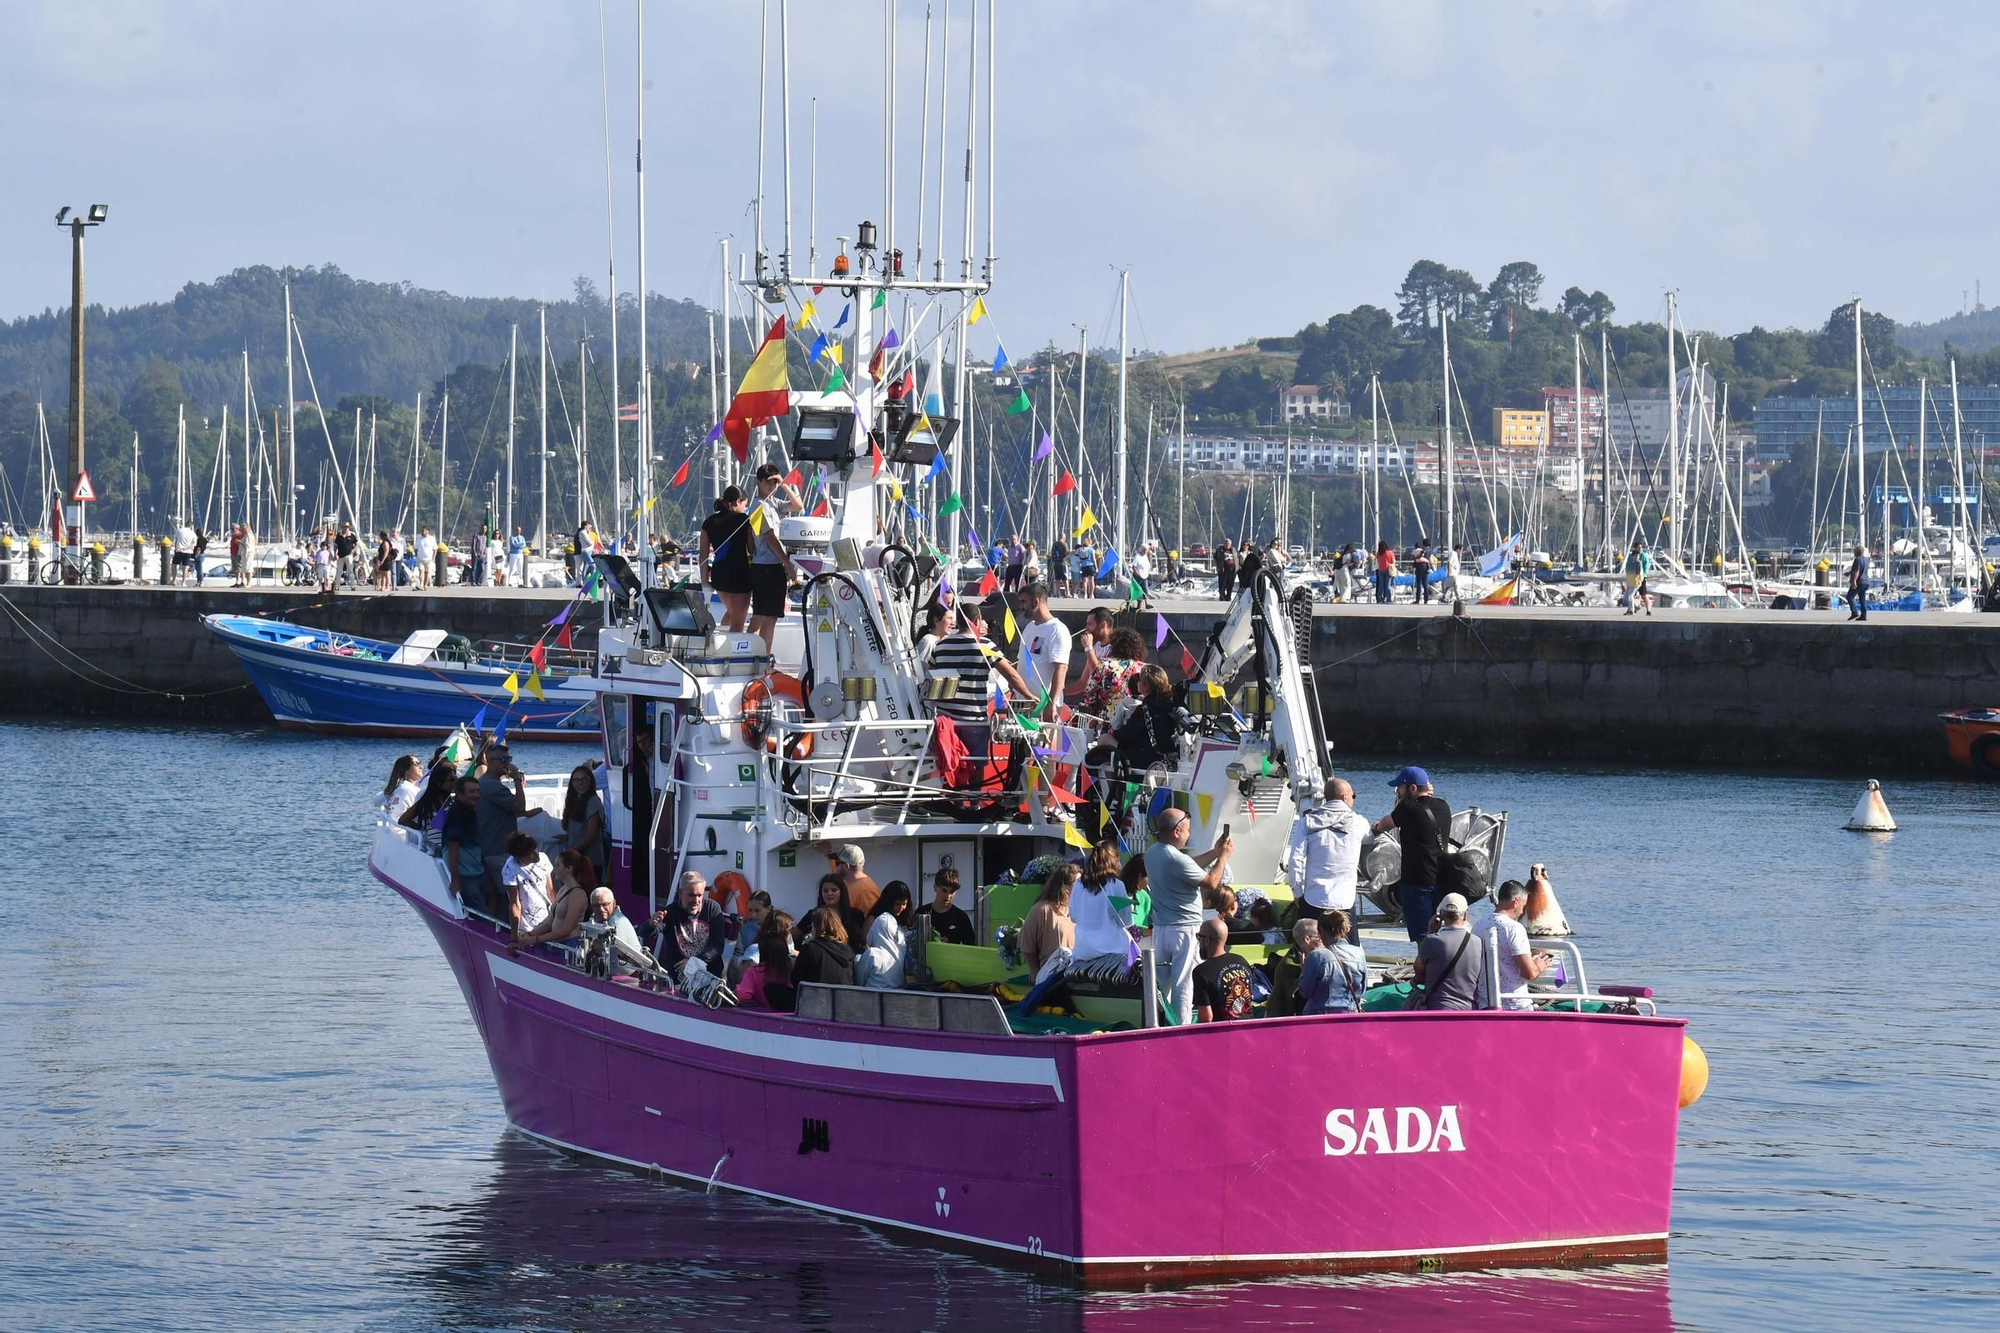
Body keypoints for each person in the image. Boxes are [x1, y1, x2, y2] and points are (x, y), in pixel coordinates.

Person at [1144, 807, 1233, 1026]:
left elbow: (1189, 866)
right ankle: (1180, 1030)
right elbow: (1211, 882)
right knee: (1184, 985)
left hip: (1163, 928)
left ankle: (1154, 1023)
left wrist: (1214, 852)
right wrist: (1223, 857)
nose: (1188, 835)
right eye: (1187, 830)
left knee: (1161, 983)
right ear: (1176, 831)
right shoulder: (1175, 858)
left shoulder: (1153, 852)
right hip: (1185, 930)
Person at [1370, 765, 1451, 943]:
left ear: (1412, 788)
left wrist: (1374, 828)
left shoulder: (1407, 808)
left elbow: (1384, 825)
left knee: (1423, 937)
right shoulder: (1443, 806)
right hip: (1441, 880)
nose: (1397, 791)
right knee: (1439, 934)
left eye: (1400, 787)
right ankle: (1440, 968)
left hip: (1417, 883)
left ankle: (1426, 970)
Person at [1287, 777, 1368, 941]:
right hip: (1344, 900)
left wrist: (1297, 892)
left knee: (1308, 950)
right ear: (1345, 797)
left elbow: (1295, 859)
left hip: (1314, 898)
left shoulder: (1307, 822)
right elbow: (1370, 839)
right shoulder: (1359, 823)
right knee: (1350, 952)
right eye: (1354, 796)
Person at [748, 464, 800, 651]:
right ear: (759, 482)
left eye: (776, 482)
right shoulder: (759, 507)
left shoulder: (773, 503)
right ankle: (758, 656)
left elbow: (797, 506)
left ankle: (759, 655)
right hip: (768, 566)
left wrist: (785, 484)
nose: (773, 486)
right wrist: (788, 564)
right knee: (764, 616)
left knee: (767, 616)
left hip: (768, 565)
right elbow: (770, 538)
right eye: (769, 482)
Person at [1486, 878, 1556, 1010]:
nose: (1522, 912)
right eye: (1523, 906)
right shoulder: (1514, 928)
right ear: (1516, 902)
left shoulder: (1478, 926)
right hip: (1514, 1004)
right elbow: (1529, 973)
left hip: (1485, 1001)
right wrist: (1539, 966)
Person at [1102, 665, 1181, 774]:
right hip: (1167, 759)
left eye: (1139, 679)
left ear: (1146, 685)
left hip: (1146, 759)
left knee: (1104, 739)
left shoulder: (1146, 707)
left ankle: (1110, 787)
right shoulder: (1170, 704)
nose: (1137, 681)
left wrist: (1115, 733)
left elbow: (1127, 734)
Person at [1412, 891, 1484, 1010]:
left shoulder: (1431, 941)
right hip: (1469, 1010)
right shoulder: (1478, 942)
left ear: (1440, 915)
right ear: (1465, 915)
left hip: (1437, 1009)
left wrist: (1431, 932)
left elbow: (1418, 969)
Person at [476, 742, 530, 899]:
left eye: (509, 758)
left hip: (489, 848)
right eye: (503, 759)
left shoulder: (484, 783)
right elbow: (519, 807)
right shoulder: (493, 786)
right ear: (491, 761)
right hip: (497, 851)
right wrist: (517, 780)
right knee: (510, 895)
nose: (508, 763)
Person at [1070, 840, 1138, 963]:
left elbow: (1073, 917)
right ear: (1114, 860)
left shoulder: (1078, 884)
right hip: (1111, 952)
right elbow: (1126, 921)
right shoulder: (1117, 885)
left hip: (1082, 951)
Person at [651, 871, 727, 977]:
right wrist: (651, 924)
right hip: (679, 981)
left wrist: (695, 961)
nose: (696, 900)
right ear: (680, 893)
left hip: (710, 979)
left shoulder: (712, 909)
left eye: (700, 895)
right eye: (691, 895)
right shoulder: (670, 913)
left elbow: (718, 945)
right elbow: (647, 934)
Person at [699, 487, 755, 632]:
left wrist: (705, 582)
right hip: (739, 574)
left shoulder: (708, 522)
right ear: (738, 501)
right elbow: (751, 549)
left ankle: (720, 644)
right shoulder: (744, 520)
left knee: (731, 612)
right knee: (738, 623)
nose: (745, 508)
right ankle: (729, 652)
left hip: (720, 575)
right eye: (745, 504)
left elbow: (703, 555)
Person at [1013, 583, 1070, 721]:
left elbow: (1061, 669)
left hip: (1042, 705)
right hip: (1022, 704)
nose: (1021, 607)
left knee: (1042, 743)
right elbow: (1021, 662)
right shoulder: (1029, 628)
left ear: (1036, 602)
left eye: (1024, 602)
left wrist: (1051, 703)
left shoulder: (1057, 630)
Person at [517, 850, 595, 949]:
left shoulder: (577, 894)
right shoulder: (563, 890)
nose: (554, 869)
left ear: (569, 868)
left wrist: (536, 939)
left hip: (569, 944)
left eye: (558, 865)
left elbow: (566, 930)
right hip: (557, 943)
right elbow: (549, 922)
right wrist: (529, 934)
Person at [1293, 913, 1368, 1014]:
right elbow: (1362, 989)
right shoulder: (1359, 953)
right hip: (1350, 1014)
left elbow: (1305, 992)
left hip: (1321, 1015)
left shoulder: (1316, 956)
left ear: (1321, 931)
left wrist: (1303, 970)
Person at [440, 777, 494, 916]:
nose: (476, 795)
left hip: (476, 871)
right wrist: (455, 879)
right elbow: (453, 846)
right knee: (481, 914)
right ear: (459, 794)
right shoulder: (457, 814)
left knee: (492, 896)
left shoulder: (469, 810)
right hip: (465, 875)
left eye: (477, 791)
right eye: (471, 791)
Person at [1018, 865, 1077, 981]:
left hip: (1074, 974)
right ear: (1066, 888)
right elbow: (1026, 944)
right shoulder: (1042, 910)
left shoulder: (1078, 910)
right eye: (1078, 884)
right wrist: (1034, 969)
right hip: (1051, 976)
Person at [1192, 918, 1256, 1022]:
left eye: (1199, 937)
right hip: (1248, 1027)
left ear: (1207, 940)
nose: (1199, 941)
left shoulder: (1201, 971)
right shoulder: (1242, 961)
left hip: (1222, 1033)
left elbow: (1206, 1018)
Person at [857, 880, 914, 988]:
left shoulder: (873, 954)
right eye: (897, 904)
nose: (901, 908)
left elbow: (859, 980)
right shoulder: (902, 951)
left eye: (904, 904)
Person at [1078, 627, 1145, 720]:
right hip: (1134, 720)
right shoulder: (1143, 668)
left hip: (1108, 719)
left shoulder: (1105, 664)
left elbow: (1089, 693)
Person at [500, 831, 554, 939]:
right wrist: (514, 937)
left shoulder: (543, 859)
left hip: (548, 922)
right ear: (518, 857)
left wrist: (556, 918)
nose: (536, 854)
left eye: (535, 848)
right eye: (530, 853)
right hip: (526, 928)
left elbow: (551, 892)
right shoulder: (510, 867)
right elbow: (515, 903)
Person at [739, 909, 796, 1010]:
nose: (790, 935)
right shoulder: (791, 968)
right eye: (788, 931)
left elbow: (742, 994)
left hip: (761, 1014)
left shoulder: (754, 972)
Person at [560, 763, 607, 884]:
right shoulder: (577, 800)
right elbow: (579, 831)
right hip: (578, 858)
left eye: (584, 779)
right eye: (576, 780)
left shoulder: (593, 801)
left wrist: (571, 852)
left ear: (590, 781)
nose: (580, 783)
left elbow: (591, 835)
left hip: (589, 861)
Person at [793, 907, 857, 988]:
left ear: (816, 927)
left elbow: (796, 981)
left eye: (812, 926)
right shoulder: (848, 951)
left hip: (814, 998)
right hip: (842, 999)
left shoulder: (810, 949)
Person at [917, 867, 975, 945]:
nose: (948, 896)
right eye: (944, 890)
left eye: (952, 891)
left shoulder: (961, 917)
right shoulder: (922, 913)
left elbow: (970, 947)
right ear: (935, 888)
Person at [811, 872, 868, 947]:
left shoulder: (856, 915)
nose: (829, 893)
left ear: (842, 892)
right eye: (825, 891)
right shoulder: (814, 914)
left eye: (834, 890)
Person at [825, 843, 881, 916]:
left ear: (846, 866)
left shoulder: (866, 891)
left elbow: (871, 921)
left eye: (837, 863)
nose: (836, 866)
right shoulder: (848, 881)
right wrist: (827, 852)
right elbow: (836, 871)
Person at [376, 754, 424, 822]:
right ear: (406, 770)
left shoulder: (393, 789)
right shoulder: (413, 791)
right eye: (416, 764)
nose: (421, 767)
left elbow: (375, 800)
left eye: (420, 763)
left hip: (384, 831)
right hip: (401, 831)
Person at [913, 602, 949, 667]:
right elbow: (920, 669)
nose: (953, 623)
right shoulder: (928, 641)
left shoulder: (945, 640)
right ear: (936, 621)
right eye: (949, 618)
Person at [1624, 539, 1653, 616]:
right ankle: (1632, 608)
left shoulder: (1644, 556)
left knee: (1643, 595)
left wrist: (1643, 576)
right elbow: (1628, 565)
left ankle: (1648, 610)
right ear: (1635, 548)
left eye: (1641, 547)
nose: (1640, 549)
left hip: (1641, 578)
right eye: (1638, 547)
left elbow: (1646, 567)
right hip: (1632, 578)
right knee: (1630, 596)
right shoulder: (1631, 556)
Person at [1847, 543, 1870, 621]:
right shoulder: (1866, 560)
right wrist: (1849, 573)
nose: (1853, 553)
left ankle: (1854, 612)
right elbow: (1860, 569)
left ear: (1857, 552)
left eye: (1854, 551)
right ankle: (1864, 615)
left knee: (1850, 597)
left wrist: (1853, 581)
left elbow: (1856, 571)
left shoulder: (1857, 559)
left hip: (1859, 581)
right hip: (1866, 582)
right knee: (1862, 599)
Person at [1412, 539, 1433, 605]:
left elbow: (1419, 556)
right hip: (1426, 567)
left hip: (1420, 566)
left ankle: (1417, 599)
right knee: (1425, 584)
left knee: (1418, 583)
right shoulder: (1430, 550)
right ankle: (1426, 599)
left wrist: (1415, 559)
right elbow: (1428, 559)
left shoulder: (1422, 549)